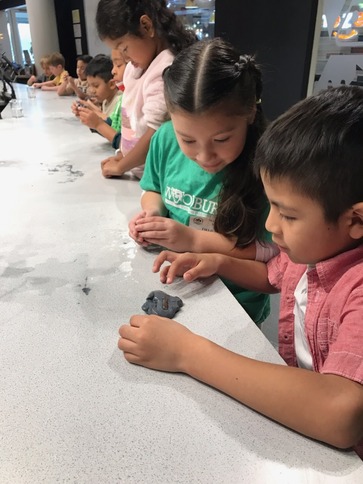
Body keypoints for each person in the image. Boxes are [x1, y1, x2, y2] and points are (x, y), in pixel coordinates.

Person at [118, 86, 363, 458]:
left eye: (289, 214)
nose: (271, 224)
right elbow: (273, 276)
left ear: (356, 219)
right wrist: (221, 263)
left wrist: (186, 352)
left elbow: (339, 413)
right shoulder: (319, 247)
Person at [129, 38, 275, 324]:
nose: (204, 155)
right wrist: (152, 215)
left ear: (250, 113)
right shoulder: (164, 139)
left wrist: (191, 239)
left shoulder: (269, 168)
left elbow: (270, 257)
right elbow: (153, 188)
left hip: (237, 304)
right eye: (188, 139)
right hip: (179, 286)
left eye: (221, 139)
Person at [95, 0, 196, 178]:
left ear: (146, 26)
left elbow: (154, 132)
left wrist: (121, 167)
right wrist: (122, 155)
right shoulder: (139, 66)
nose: (125, 58)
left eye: (124, 48)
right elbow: (132, 123)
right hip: (138, 171)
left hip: (158, 178)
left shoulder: (166, 69)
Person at [74, 50, 125, 147]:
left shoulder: (121, 101)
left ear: (111, 84)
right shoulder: (105, 100)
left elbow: (112, 127)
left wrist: (96, 121)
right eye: (90, 86)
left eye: (96, 86)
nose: (92, 90)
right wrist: (88, 112)